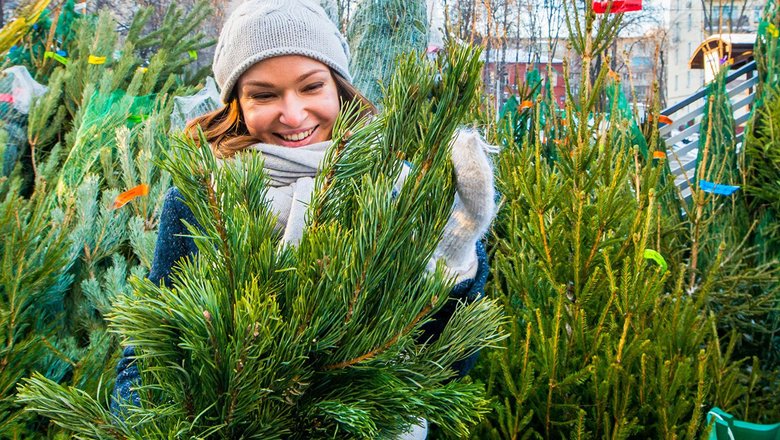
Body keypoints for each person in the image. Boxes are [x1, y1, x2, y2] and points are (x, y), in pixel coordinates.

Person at [111, 0, 496, 437]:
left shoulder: (397, 191)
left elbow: (445, 371)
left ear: (339, 88)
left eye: (311, 87)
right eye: (264, 94)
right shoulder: (202, 197)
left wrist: (453, 259)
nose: (293, 115)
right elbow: (145, 357)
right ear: (236, 101)